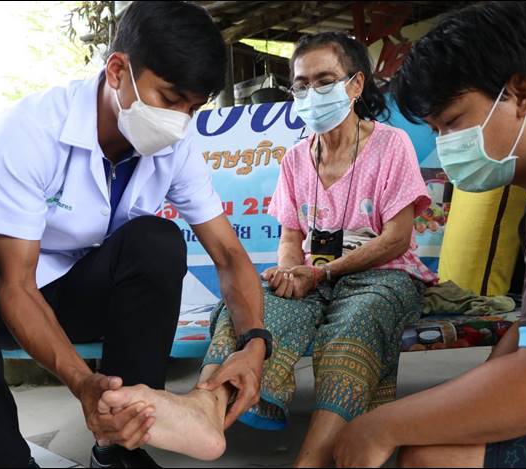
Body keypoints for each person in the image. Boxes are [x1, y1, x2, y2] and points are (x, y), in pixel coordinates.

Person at [0, 2, 271, 467]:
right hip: (1, 297)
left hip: (75, 298)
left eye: (193, 107)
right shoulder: (30, 129)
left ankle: (121, 445)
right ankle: (0, 458)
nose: (180, 122)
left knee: (155, 241)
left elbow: (228, 254)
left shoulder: (174, 148)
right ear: (118, 69)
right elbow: (16, 286)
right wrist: (84, 384)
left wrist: (254, 345)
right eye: (169, 99)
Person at [95, 31, 437, 468]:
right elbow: (291, 239)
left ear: (355, 85)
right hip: (315, 275)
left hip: (383, 274)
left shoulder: (391, 144)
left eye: (324, 80)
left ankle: (310, 461)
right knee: (251, 306)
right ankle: (205, 409)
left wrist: (321, 273)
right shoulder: (296, 158)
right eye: (301, 84)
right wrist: (291, 273)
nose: (310, 93)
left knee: (356, 323)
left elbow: (397, 239)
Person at [332, 2, 526, 468]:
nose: (446, 145)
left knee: (432, 453)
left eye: (453, 122)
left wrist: (381, 425)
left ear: (521, 94)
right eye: (436, 130)